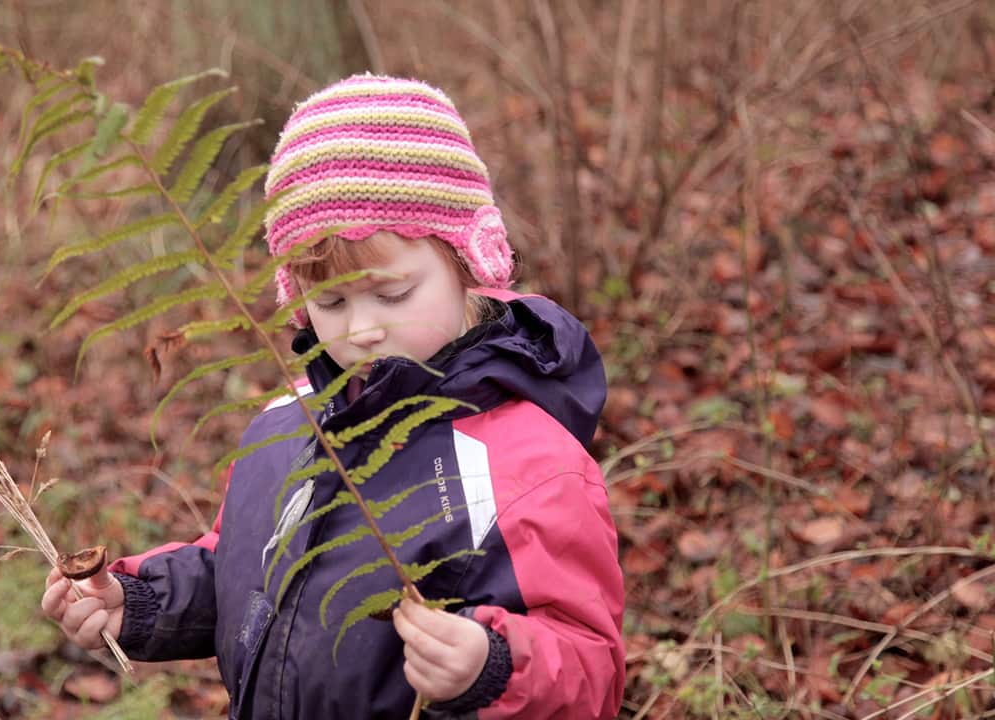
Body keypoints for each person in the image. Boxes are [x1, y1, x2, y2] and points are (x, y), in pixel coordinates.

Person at [41, 74, 625, 719]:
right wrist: (141, 601)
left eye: (394, 294)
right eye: (331, 302)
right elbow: (249, 571)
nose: (362, 328)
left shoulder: (527, 462)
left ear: (472, 265)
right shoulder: (288, 421)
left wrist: (491, 665)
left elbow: (589, 663)